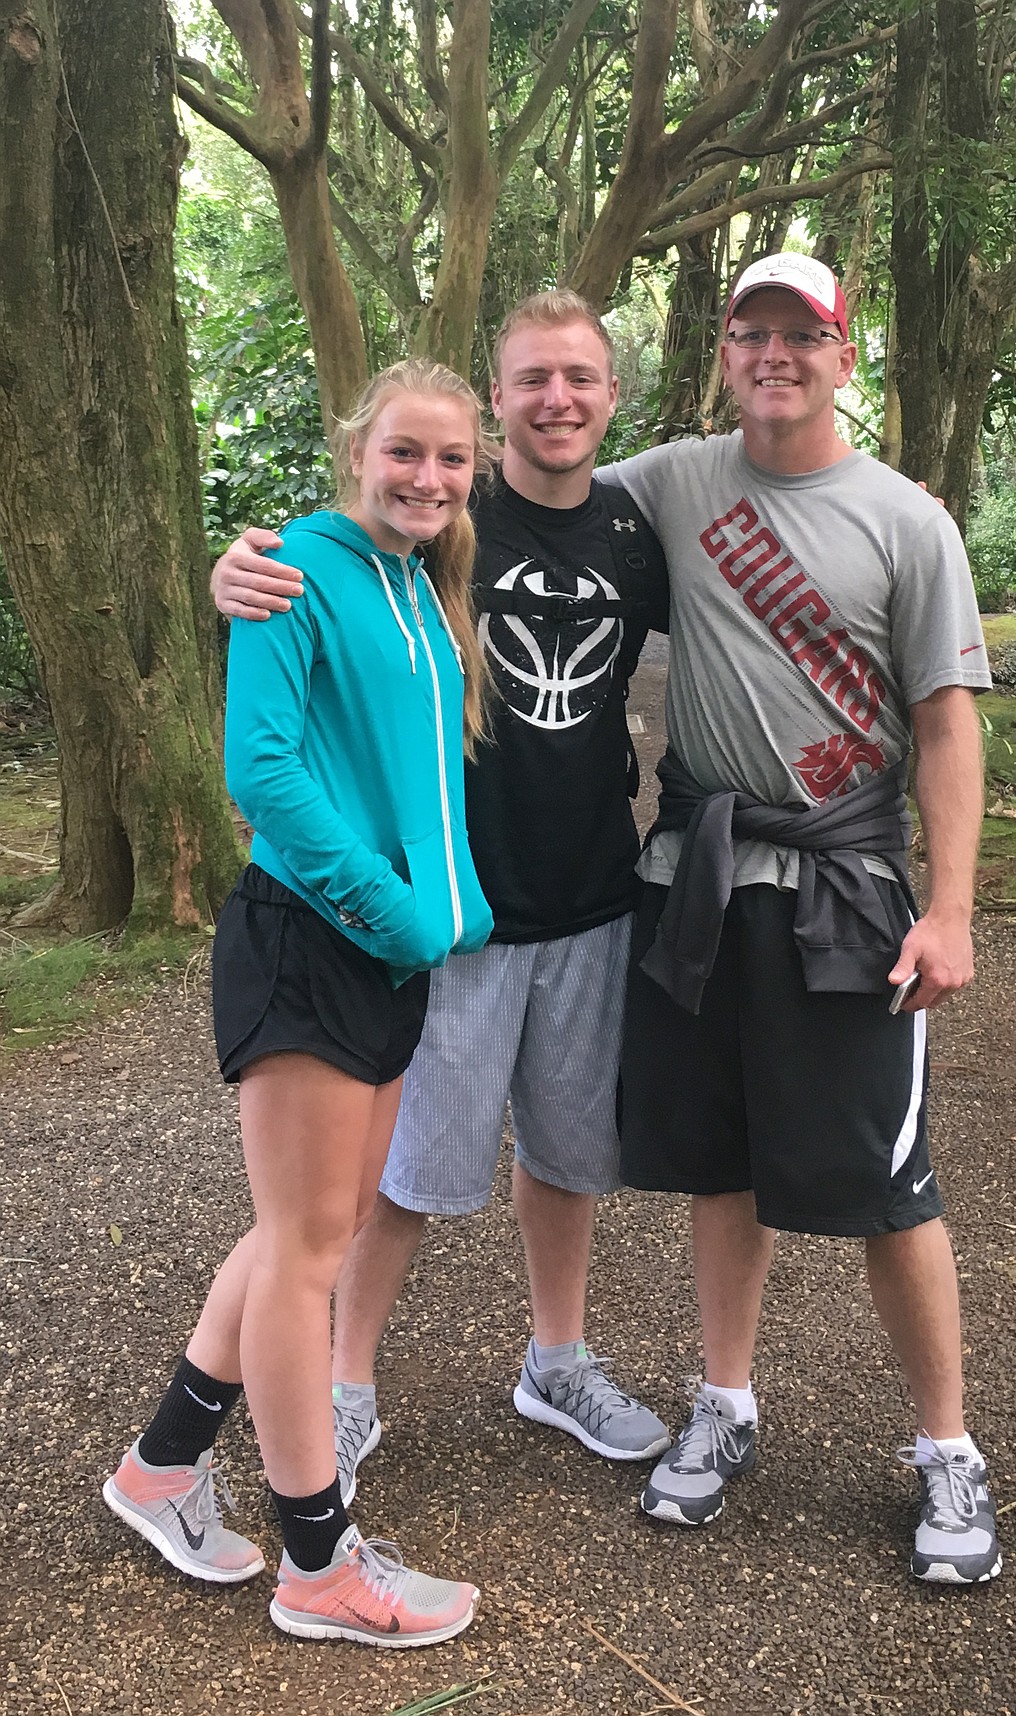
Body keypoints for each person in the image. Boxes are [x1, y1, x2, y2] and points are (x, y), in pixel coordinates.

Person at [211, 291, 673, 1499]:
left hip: (592, 897)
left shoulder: (633, 529)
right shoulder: (439, 525)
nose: (557, 399)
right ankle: (344, 1381)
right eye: (532, 379)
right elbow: (325, 573)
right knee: (405, 1177)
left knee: (570, 1156)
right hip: (451, 906)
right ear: (498, 397)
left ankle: (556, 1360)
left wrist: (912, 506)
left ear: (611, 396)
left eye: (580, 377)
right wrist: (242, 567)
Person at [598, 253, 1000, 1583]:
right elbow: (518, 508)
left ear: (841, 354)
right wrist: (287, 554)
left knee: (890, 1186)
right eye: (748, 332)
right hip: (706, 882)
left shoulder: (904, 523)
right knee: (722, 1163)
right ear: (724, 349)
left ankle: (946, 1450)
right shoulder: (672, 483)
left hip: (848, 889)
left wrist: (947, 907)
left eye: (799, 335)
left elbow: (945, 721)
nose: (771, 353)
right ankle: (723, 1405)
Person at [103, 359, 495, 1646]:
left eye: (448, 458)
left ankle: (160, 1471)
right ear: (356, 451)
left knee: (294, 1236)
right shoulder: (293, 569)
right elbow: (261, 773)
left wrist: (438, 917)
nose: (426, 478)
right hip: (309, 947)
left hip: (384, 958)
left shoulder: (421, 586)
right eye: (404, 454)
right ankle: (318, 1567)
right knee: (308, 1256)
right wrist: (398, 911)